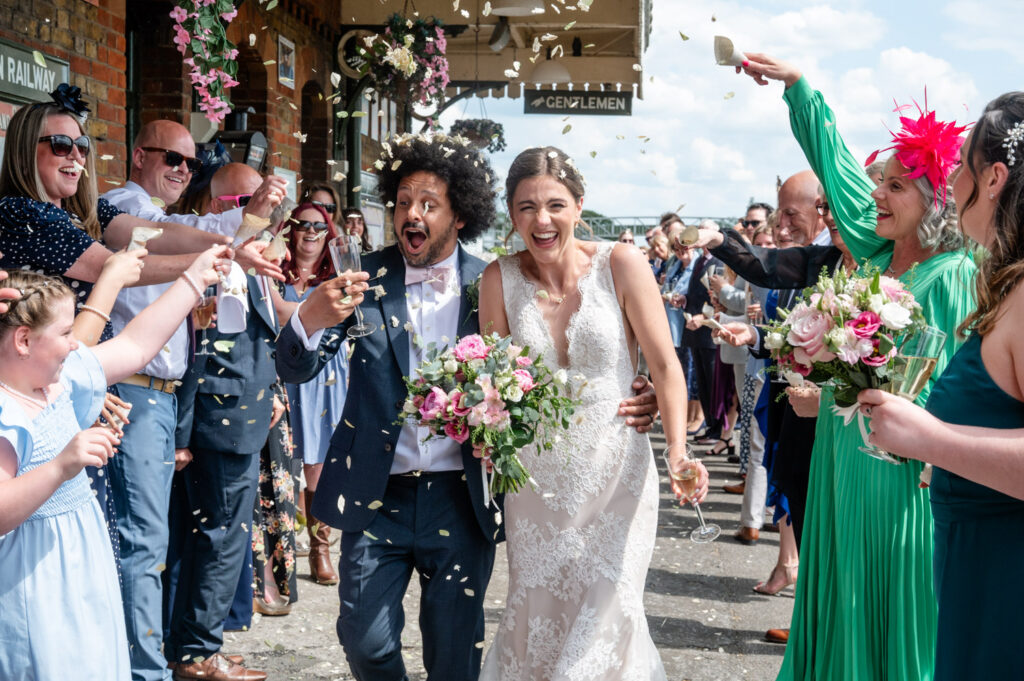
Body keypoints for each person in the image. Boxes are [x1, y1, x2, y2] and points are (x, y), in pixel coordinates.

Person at [275, 132, 660, 681]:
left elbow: (545, 366)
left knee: (455, 658)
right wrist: (309, 318)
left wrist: (633, 384)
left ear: (460, 216)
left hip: (460, 499)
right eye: (404, 201)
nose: (413, 213)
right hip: (375, 494)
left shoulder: (496, 281)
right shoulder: (365, 279)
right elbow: (293, 369)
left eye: (429, 204)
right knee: (366, 643)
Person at [738, 53, 976, 679]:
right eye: (880, 184)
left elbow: (941, 393)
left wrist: (840, 394)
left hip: (898, 482)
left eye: (896, 186)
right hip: (841, 462)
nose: (874, 196)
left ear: (936, 203)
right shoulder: (873, 257)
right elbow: (840, 179)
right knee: (839, 595)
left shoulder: (952, 276)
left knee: (888, 607)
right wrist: (800, 91)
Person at [476, 146, 709, 679]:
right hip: (535, 488)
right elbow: (489, 383)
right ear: (511, 216)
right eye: (526, 207)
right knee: (540, 623)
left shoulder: (620, 264)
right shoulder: (498, 279)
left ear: (579, 206)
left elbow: (667, 368)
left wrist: (677, 452)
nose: (542, 220)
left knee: (602, 626)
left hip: (616, 476)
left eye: (556, 204)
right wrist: (483, 427)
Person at [102, 121, 285, 681]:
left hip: (161, 400)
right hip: (131, 394)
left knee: (153, 543)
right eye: (171, 158)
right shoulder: (117, 206)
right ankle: (143, 670)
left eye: (191, 160)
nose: (184, 169)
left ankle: (150, 663)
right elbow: (168, 235)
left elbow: (198, 229)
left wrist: (250, 221)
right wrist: (241, 225)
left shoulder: (175, 219)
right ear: (138, 156)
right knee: (143, 545)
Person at [0, 248, 228, 680]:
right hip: (34, 580)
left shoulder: (59, 382)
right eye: (66, 332)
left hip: (82, 565)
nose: (76, 342)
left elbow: (137, 343)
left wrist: (194, 279)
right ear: (24, 340)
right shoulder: (6, 412)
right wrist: (60, 467)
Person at [858, 92, 1024, 681]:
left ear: (995, 179)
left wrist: (932, 440)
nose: (951, 182)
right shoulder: (1007, 288)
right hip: (974, 577)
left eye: (960, 169)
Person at [279, 202, 345, 586]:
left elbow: (334, 318)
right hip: (281, 372)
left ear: (328, 234)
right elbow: (270, 312)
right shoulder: (273, 272)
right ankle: (281, 552)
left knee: (319, 463)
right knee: (282, 462)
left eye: (318, 227)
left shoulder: (336, 278)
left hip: (325, 374)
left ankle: (320, 548)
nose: (309, 232)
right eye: (302, 225)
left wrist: (289, 310)